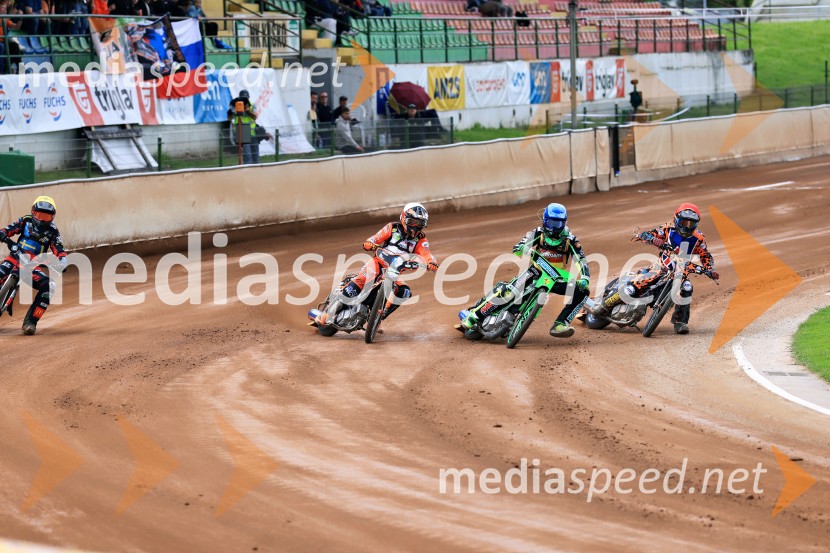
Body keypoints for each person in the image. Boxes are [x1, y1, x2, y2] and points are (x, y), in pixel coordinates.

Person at [460, 203, 590, 338]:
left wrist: (585, 278)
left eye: (558, 224)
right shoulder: (538, 233)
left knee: (583, 292)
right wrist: (521, 248)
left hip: (557, 278)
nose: (554, 227)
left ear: (564, 223)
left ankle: (560, 324)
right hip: (535, 272)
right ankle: (474, 316)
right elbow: (520, 245)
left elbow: (581, 260)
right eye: (551, 223)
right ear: (545, 221)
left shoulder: (571, 240)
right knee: (508, 292)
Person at [592, 203, 719, 334]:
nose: (687, 226)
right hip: (662, 266)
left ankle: (680, 322)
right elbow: (648, 234)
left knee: (687, 287)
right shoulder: (668, 229)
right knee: (636, 285)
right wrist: (653, 239)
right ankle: (604, 305)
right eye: (684, 222)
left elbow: (706, 256)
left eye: (691, 224)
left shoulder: (699, 238)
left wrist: (710, 269)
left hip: (682, 271)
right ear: (676, 219)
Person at [316, 202, 438, 326]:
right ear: (404, 218)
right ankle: (328, 312)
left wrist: (431, 263)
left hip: (394, 273)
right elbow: (375, 238)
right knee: (361, 281)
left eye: (420, 223)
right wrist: (370, 243)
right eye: (413, 222)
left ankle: (377, 318)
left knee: (405, 292)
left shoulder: (421, 240)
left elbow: (426, 254)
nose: (416, 226)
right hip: (377, 264)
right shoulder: (392, 228)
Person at [0, 196, 68, 336]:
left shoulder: (53, 232)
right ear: (33, 212)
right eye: (39, 215)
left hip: (32, 266)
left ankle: (30, 322)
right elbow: (8, 229)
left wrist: (62, 261)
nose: (42, 219)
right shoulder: (25, 221)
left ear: (52, 217)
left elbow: (58, 248)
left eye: (46, 216)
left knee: (50, 286)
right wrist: (3, 233)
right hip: (14, 258)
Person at [227, 89, 263, 165]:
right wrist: (231, 112)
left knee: (255, 156)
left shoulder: (252, 105)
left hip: (253, 134)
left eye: (245, 98)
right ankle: (248, 171)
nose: (244, 100)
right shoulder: (236, 106)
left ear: (248, 98)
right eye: (242, 98)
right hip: (243, 133)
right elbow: (229, 118)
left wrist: (247, 111)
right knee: (247, 156)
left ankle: (257, 171)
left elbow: (255, 117)